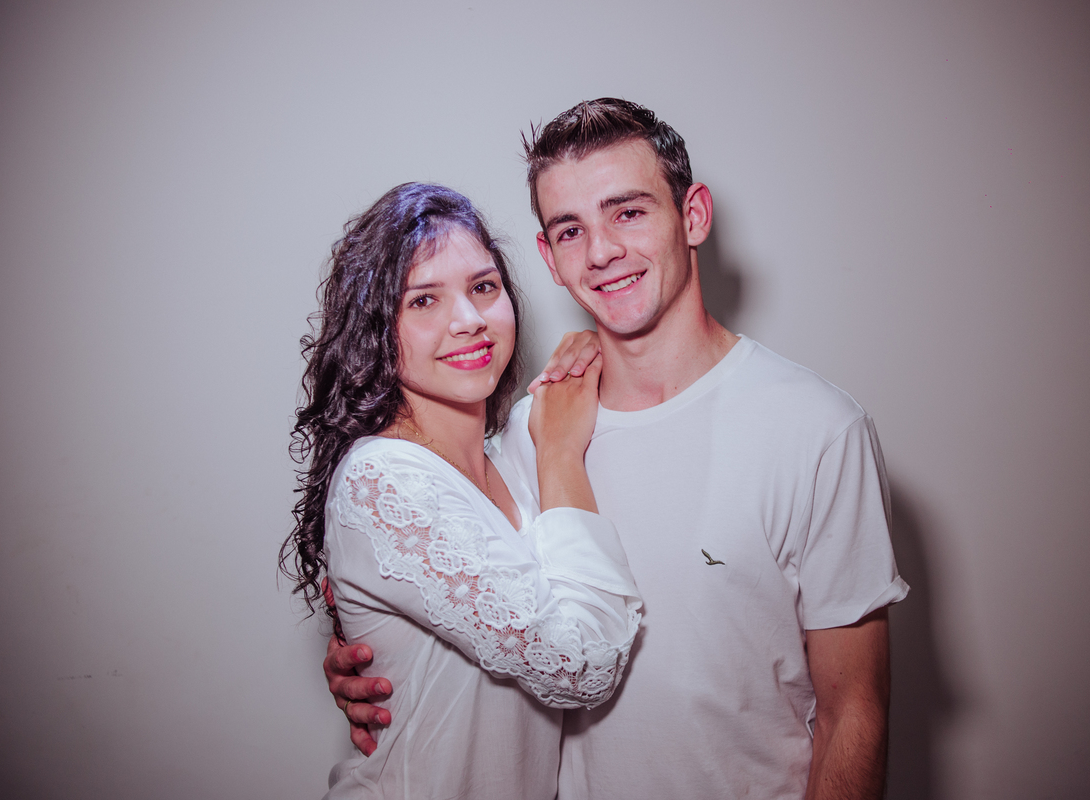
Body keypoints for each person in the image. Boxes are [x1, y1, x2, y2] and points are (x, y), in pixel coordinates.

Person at [327, 100, 909, 799]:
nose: (601, 252)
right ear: (548, 257)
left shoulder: (818, 431)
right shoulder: (527, 439)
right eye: (571, 230)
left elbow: (855, 712)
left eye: (628, 212)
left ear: (693, 216)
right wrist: (376, 651)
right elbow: (459, 609)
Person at [282, 182, 643, 799]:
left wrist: (599, 344)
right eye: (423, 300)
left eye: (483, 287)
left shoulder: (507, 461)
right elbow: (581, 667)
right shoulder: (385, 479)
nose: (470, 320)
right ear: (376, 328)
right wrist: (560, 452)